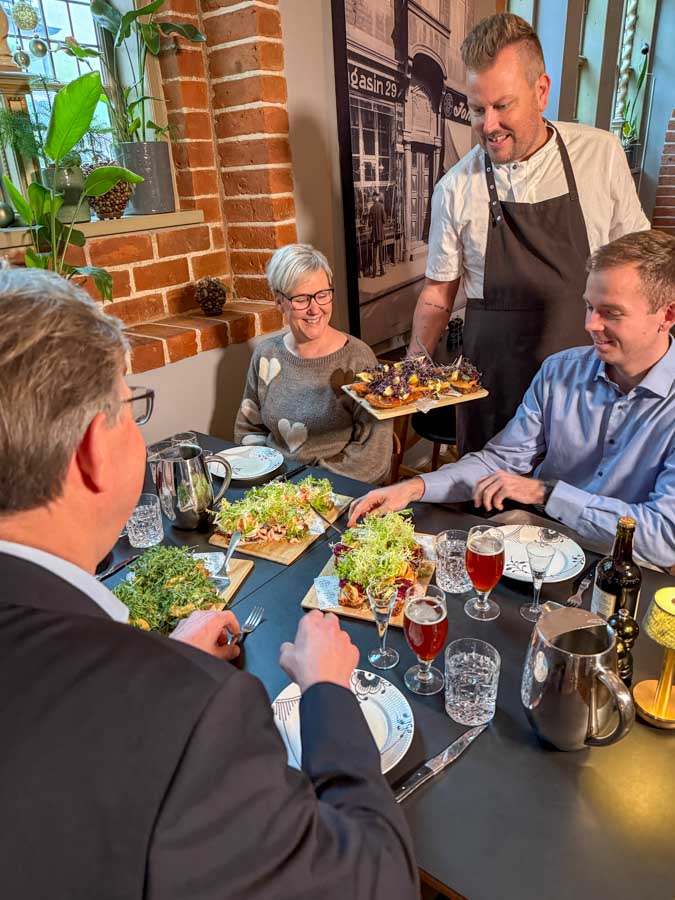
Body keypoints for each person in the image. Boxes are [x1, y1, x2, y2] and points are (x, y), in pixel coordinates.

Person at [0, 269, 418, 899]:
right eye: (129, 406)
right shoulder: (195, 713)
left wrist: (166, 659)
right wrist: (328, 691)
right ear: (91, 450)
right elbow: (378, 881)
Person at [351, 231, 675, 570]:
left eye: (611, 312)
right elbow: (499, 462)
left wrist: (546, 493)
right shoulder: (560, 372)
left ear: (667, 315)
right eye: (589, 306)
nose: (590, 324)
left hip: (630, 563)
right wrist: (412, 488)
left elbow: (663, 538)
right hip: (546, 536)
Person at [410, 12, 649, 455]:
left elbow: (638, 263)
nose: (488, 125)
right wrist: (410, 370)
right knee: (489, 511)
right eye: (477, 109)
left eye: (503, 105)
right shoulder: (454, 188)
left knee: (577, 508)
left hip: (587, 379)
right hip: (493, 385)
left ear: (541, 91)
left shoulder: (600, 155)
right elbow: (438, 293)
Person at [235, 243, 393, 483]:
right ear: (279, 302)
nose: (314, 308)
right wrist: (266, 479)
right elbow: (248, 428)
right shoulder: (266, 355)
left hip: (337, 490)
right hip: (275, 487)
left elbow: (374, 456)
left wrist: (308, 488)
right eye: (301, 299)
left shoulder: (358, 358)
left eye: (322, 295)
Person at [369, 192, 386, 277]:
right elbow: (384, 220)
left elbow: (369, 223)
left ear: (373, 198)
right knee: (380, 253)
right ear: (377, 198)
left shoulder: (371, 208)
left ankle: (374, 273)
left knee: (374, 254)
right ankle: (382, 271)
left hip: (374, 234)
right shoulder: (381, 207)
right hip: (380, 234)